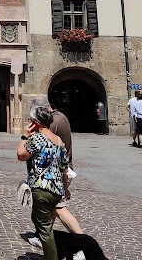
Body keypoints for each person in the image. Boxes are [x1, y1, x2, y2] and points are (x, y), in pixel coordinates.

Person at [17, 106, 70, 260]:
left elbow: (21, 155)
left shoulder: (38, 138)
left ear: (36, 123)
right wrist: (65, 189)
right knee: (38, 218)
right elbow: (64, 169)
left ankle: (52, 257)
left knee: (45, 229)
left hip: (42, 189)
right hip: (56, 189)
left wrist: (24, 136)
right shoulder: (58, 140)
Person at [28, 96, 81, 237]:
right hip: (62, 170)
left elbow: (33, 146)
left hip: (56, 173)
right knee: (52, 208)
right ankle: (43, 236)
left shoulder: (52, 122)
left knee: (59, 208)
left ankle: (83, 240)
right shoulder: (60, 116)